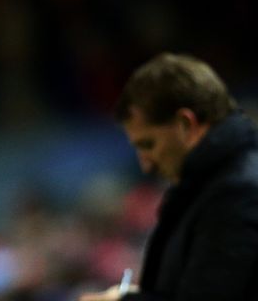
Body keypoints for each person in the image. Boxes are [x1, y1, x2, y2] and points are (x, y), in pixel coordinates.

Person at [80, 52, 258, 301]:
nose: (145, 164)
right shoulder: (207, 188)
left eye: (149, 144)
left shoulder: (238, 192)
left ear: (186, 124)